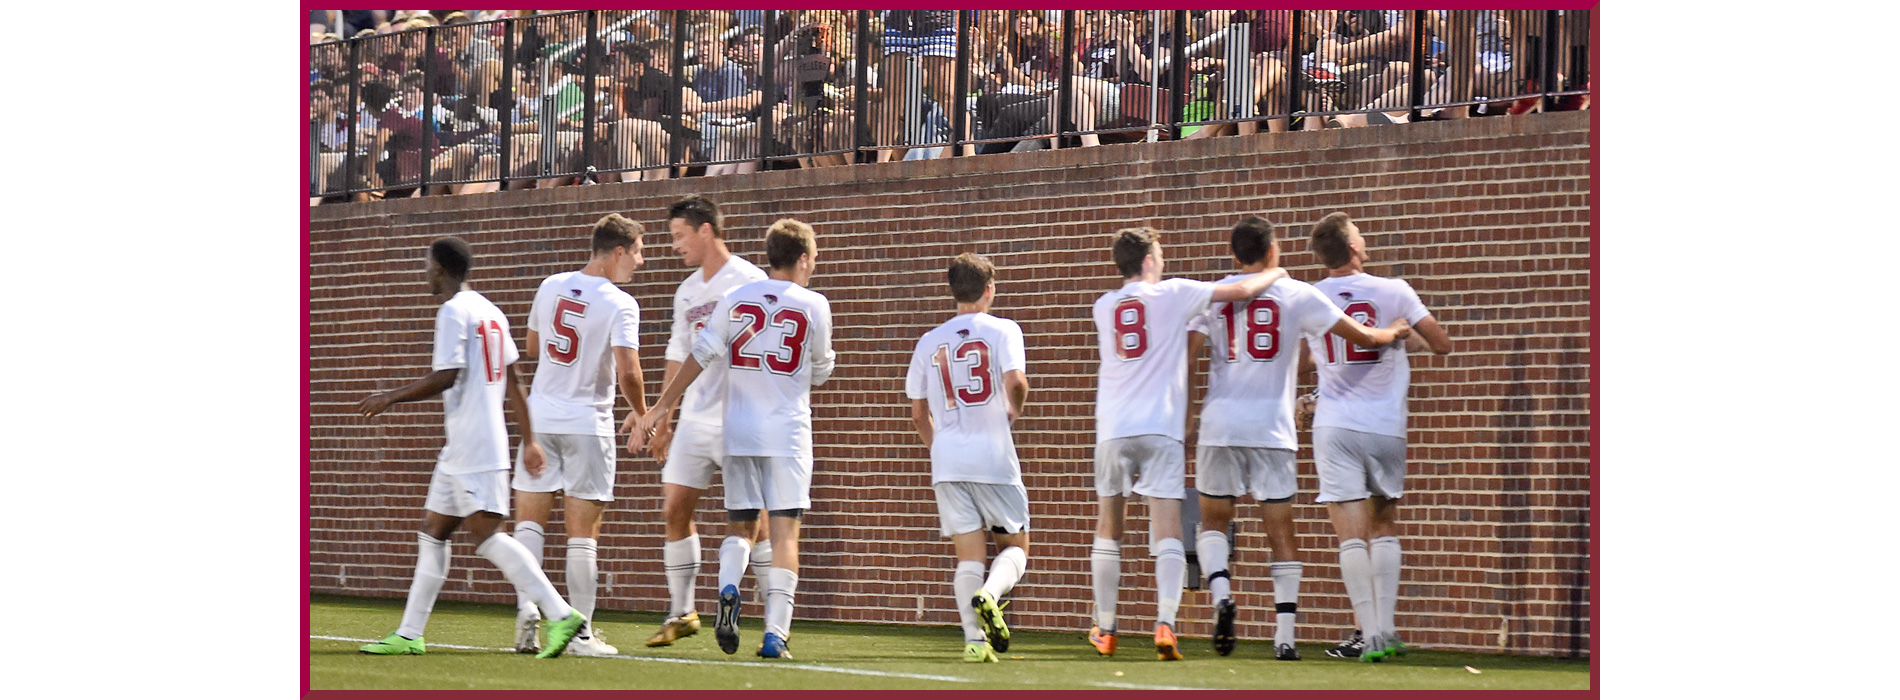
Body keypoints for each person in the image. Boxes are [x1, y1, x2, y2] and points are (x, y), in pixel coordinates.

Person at [1183, 216, 1409, 660]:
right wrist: (1394, 332)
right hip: (1273, 428)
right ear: (1274, 250)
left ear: (1234, 255)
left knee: (1213, 521)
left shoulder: (1212, 295)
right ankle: (1284, 638)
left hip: (1220, 422)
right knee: (1281, 533)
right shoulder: (1297, 293)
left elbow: (1185, 355)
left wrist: (1189, 411)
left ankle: (1222, 596)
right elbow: (1362, 335)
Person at [354, 237, 590, 659]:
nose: (424, 272)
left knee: (486, 536)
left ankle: (560, 614)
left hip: (472, 445)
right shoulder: (490, 310)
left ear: (441, 269)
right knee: (433, 531)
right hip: (467, 445)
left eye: (427, 265)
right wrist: (529, 438)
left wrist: (390, 396)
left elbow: (447, 375)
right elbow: (516, 381)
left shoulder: (452, 312)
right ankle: (410, 634)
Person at [634, 218, 834, 661]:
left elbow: (700, 354)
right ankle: (774, 636)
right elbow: (821, 368)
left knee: (741, 526)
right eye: (813, 260)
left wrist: (661, 407)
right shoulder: (814, 304)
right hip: (787, 432)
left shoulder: (734, 298)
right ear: (802, 258)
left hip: (739, 429)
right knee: (784, 533)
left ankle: (728, 585)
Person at [1086, 226, 1288, 660]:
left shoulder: (1103, 306)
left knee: (1109, 527)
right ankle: (1166, 624)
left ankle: (1106, 627)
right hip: (1161, 425)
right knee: (1168, 531)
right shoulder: (1173, 292)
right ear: (1147, 261)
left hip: (1114, 426)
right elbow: (1241, 289)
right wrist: (1276, 273)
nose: (1162, 261)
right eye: (1158, 254)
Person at [1297, 212, 1453, 662]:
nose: (1364, 238)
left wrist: (1310, 393)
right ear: (1352, 248)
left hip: (1336, 425)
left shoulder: (1312, 297)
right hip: (1385, 425)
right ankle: (1385, 631)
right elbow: (1441, 343)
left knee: (1349, 536)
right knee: (1384, 525)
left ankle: (1368, 636)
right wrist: (1399, 337)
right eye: (1359, 234)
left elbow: (1307, 361)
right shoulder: (1395, 290)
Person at [507, 215, 650, 657]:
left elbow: (532, 347)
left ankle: (527, 616)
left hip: (542, 419)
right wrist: (643, 414)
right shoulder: (620, 302)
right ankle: (580, 635)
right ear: (618, 252)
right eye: (639, 252)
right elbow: (628, 369)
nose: (641, 263)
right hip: (587, 422)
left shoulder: (551, 285)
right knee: (582, 535)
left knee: (529, 524)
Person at [640, 196, 772, 649]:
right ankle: (682, 611)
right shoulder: (687, 291)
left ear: (705, 231)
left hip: (741, 419)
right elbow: (677, 355)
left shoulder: (751, 279)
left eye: (679, 235)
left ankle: (774, 625)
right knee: (674, 508)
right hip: (696, 416)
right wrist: (665, 417)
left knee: (757, 524)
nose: (675, 245)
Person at [904, 254, 1032, 664]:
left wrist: (938, 447)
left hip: (948, 457)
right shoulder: (1004, 329)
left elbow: (918, 415)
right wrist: (1014, 410)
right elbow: (1017, 382)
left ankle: (974, 641)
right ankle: (991, 595)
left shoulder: (928, 341)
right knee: (1016, 545)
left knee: (969, 555)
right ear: (989, 290)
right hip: (992, 452)